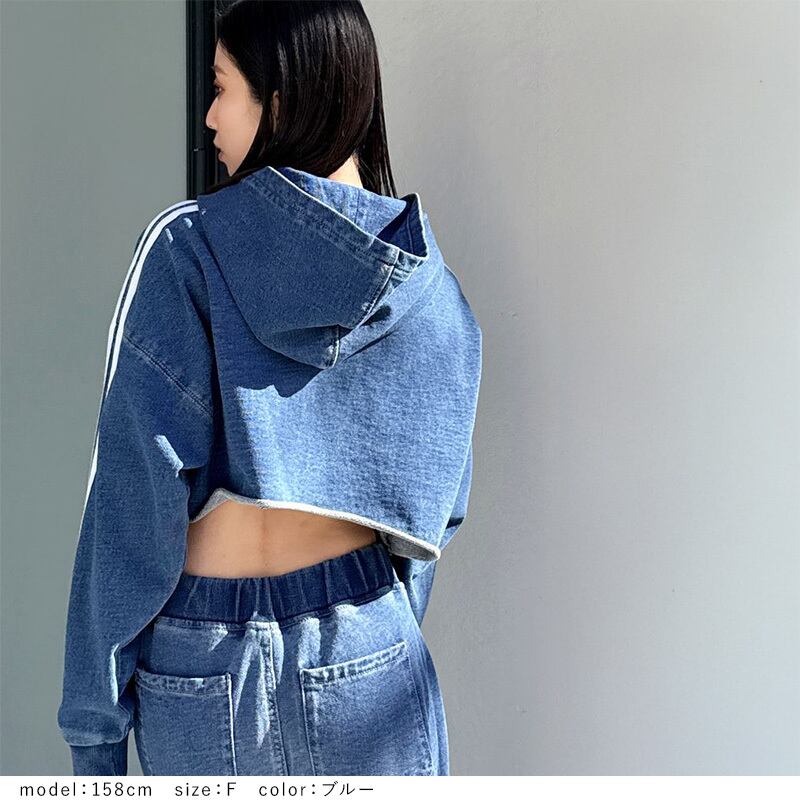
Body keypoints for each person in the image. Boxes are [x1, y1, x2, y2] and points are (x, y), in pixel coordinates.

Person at [57, 0, 482, 778]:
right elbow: (431, 520)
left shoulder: (186, 247)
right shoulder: (430, 290)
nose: (209, 117)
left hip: (201, 666)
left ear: (279, 102)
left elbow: (130, 503)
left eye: (221, 87)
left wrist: (95, 734)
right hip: (370, 651)